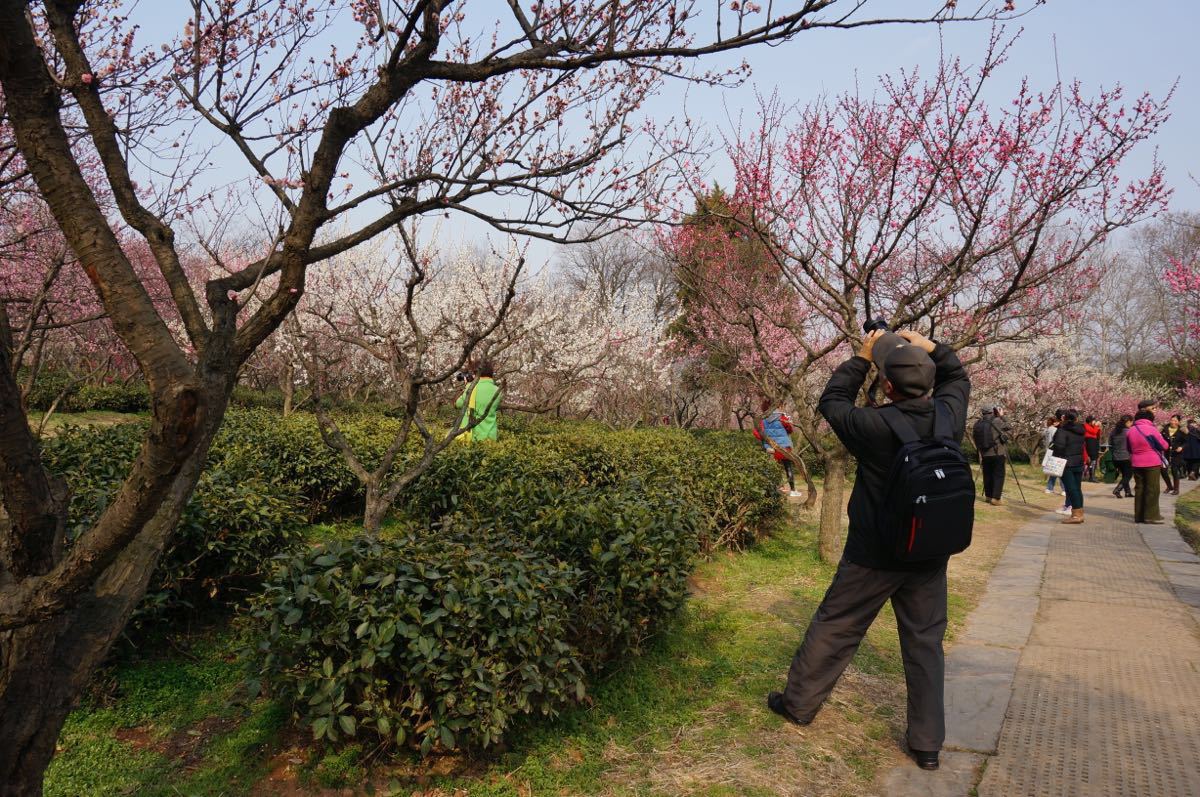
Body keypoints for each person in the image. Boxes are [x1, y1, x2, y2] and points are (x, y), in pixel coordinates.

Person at [767, 329, 969, 773]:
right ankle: (927, 744)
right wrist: (930, 347)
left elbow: (832, 400)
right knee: (925, 644)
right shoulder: (949, 415)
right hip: (928, 554)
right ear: (931, 384)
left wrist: (860, 357)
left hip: (872, 554)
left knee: (837, 626)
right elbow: (957, 374)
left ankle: (798, 705)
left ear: (888, 386)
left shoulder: (872, 425)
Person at [753, 399, 801, 498]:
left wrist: (765, 439)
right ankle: (792, 490)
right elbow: (790, 429)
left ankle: (773, 489)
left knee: (771, 468)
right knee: (788, 467)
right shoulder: (782, 416)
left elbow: (756, 433)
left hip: (770, 447)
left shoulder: (762, 418)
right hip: (784, 447)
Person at [1129, 407, 1169, 523]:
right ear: (1151, 419)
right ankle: (1151, 516)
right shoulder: (1152, 429)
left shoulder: (1131, 430)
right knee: (1152, 489)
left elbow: (1128, 448)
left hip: (1136, 462)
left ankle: (1139, 516)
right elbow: (1164, 446)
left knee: (1139, 488)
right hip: (1152, 462)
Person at [1050, 410, 1086, 524]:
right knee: (1077, 488)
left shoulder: (1062, 431)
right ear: (1076, 419)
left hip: (1067, 463)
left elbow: (1058, 447)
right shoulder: (1081, 430)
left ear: (1064, 419)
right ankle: (1079, 513)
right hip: (1078, 462)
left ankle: (1076, 515)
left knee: (1071, 489)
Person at [973, 405, 1010, 505]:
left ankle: (988, 496)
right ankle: (996, 498)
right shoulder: (997, 421)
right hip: (997, 452)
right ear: (992, 412)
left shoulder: (977, 423)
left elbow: (975, 437)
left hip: (984, 453)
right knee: (998, 475)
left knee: (987, 474)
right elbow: (1008, 426)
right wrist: (1002, 416)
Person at [455, 360, 501, 442]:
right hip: (491, 437)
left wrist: (467, 386)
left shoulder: (472, 388)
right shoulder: (498, 390)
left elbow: (457, 404)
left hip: (474, 437)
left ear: (476, 373)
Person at [1109, 415, 1134, 499]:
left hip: (1115, 457)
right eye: (1131, 422)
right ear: (1128, 422)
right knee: (1128, 475)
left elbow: (1110, 444)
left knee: (1124, 475)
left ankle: (1128, 492)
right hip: (1126, 457)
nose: (1132, 424)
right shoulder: (1129, 431)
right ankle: (1117, 489)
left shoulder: (1113, 431)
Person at [1161, 414, 1186, 495]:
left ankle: (1176, 489)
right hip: (1166, 452)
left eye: (1175, 421)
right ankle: (1169, 486)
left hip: (1176, 453)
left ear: (1179, 422)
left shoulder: (1182, 431)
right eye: (1172, 420)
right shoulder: (1164, 429)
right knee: (1163, 470)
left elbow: (1186, 442)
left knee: (1174, 470)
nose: (1173, 422)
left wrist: (1181, 447)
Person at [1043, 417, 1063, 494]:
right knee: (1059, 470)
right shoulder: (1055, 430)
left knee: (1053, 470)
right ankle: (1064, 489)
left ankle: (1049, 488)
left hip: (1049, 451)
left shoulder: (1046, 430)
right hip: (1055, 451)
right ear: (1055, 422)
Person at [1082, 416, 1102, 482]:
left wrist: (1099, 428)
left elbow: (1097, 434)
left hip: (1094, 442)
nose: (1094, 422)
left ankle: (1092, 475)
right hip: (1089, 442)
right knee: (1091, 459)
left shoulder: (1094, 426)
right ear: (1090, 421)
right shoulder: (1085, 426)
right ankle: (1090, 476)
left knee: (1094, 459)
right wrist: (1096, 426)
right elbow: (1093, 432)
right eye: (1093, 420)